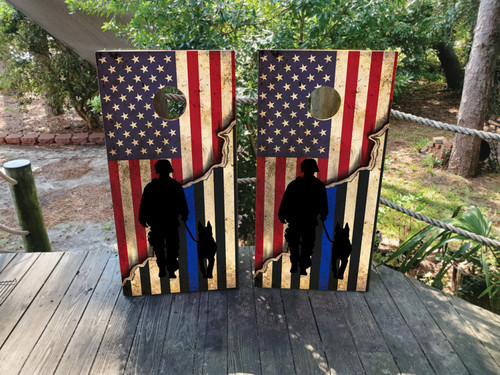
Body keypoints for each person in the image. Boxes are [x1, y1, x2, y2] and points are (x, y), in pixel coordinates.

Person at [139, 160, 188, 278]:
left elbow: (144, 205)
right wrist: (184, 214)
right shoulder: (175, 186)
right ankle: (168, 270)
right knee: (169, 247)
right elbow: (183, 204)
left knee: (162, 247)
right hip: (168, 223)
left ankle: (165, 270)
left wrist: (142, 218)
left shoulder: (151, 187)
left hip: (160, 223)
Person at [278, 159, 328, 275]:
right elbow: (323, 204)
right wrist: (323, 214)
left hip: (298, 221)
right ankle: (301, 267)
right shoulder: (318, 186)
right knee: (305, 245)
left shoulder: (295, 184)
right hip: (307, 221)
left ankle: (296, 266)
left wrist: (282, 214)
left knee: (297, 244)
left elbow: (286, 201)